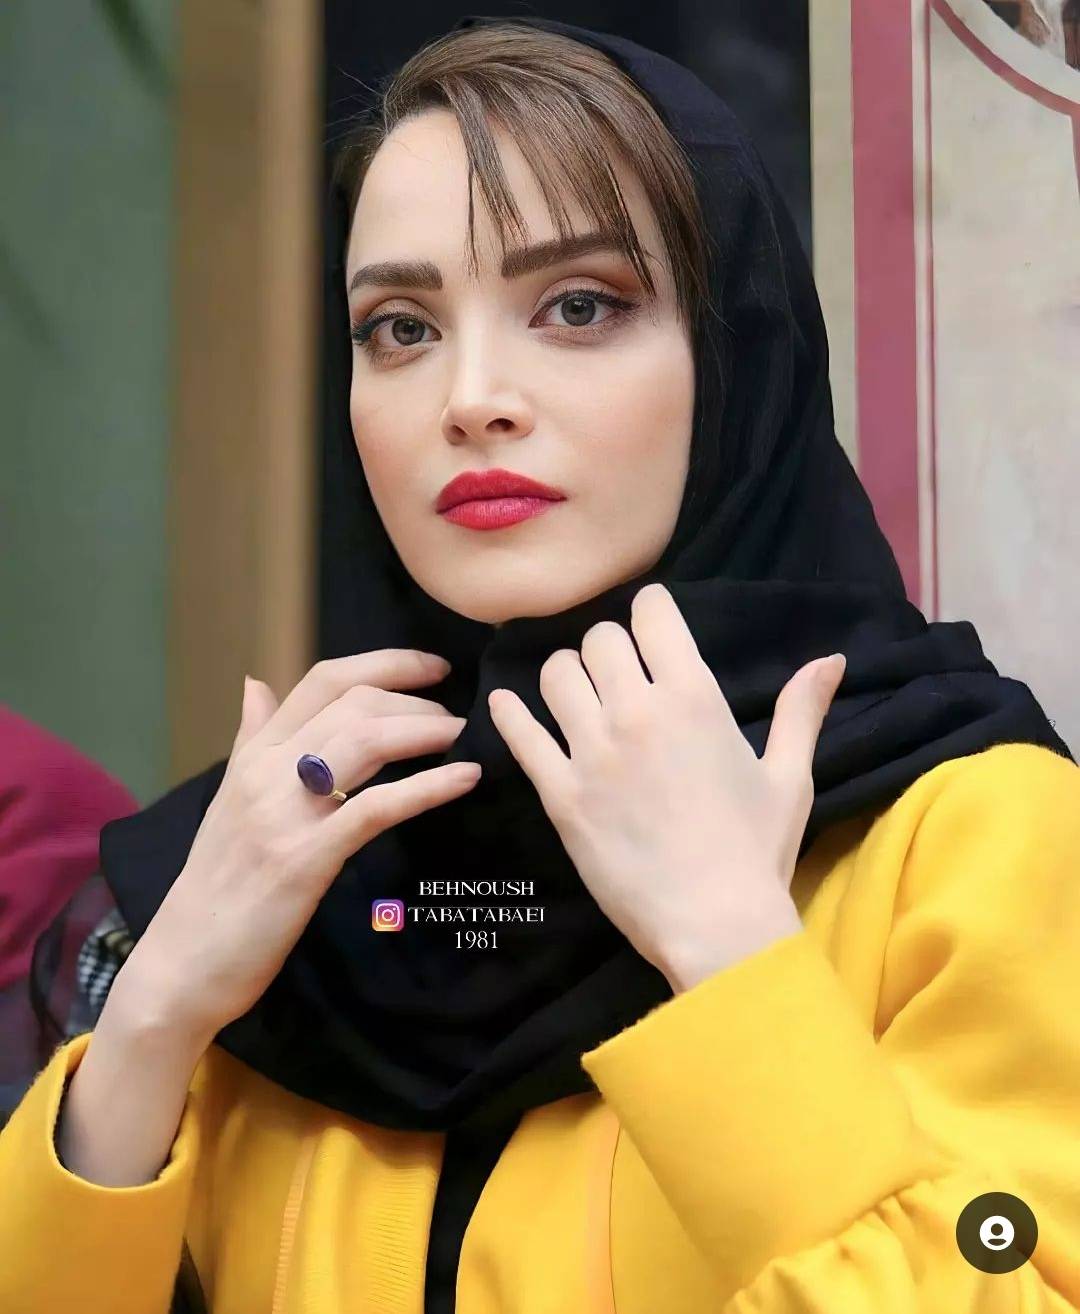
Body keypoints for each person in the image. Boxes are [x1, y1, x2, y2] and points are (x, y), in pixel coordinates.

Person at [2, 14, 1079, 1313]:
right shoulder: (303, 875)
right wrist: (157, 1014)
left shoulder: (971, 838)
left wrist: (733, 953)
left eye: (578, 305)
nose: (470, 397)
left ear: (734, 354)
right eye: (399, 327)